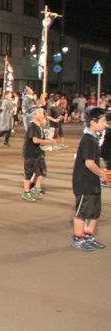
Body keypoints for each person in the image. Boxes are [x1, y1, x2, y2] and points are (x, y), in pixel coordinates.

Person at [71, 107, 107, 251]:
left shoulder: (93, 137)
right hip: (84, 182)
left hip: (92, 182)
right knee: (83, 211)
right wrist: (102, 174)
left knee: (94, 211)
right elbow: (89, 163)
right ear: (93, 122)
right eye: (103, 121)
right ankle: (78, 238)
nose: (105, 124)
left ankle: (88, 236)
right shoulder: (88, 139)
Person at [21, 108, 56, 202]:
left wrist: (49, 142)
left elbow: (41, 141)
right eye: (40, 113)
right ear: (34, 115)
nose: (43, 114)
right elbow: (35, 140)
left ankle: (36, 189)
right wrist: (48, 142)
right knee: (28, 173)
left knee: (41, 171)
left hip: (39, 153)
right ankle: (26, 192)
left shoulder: (39, 126)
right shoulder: (32, 125)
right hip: (31, 153)